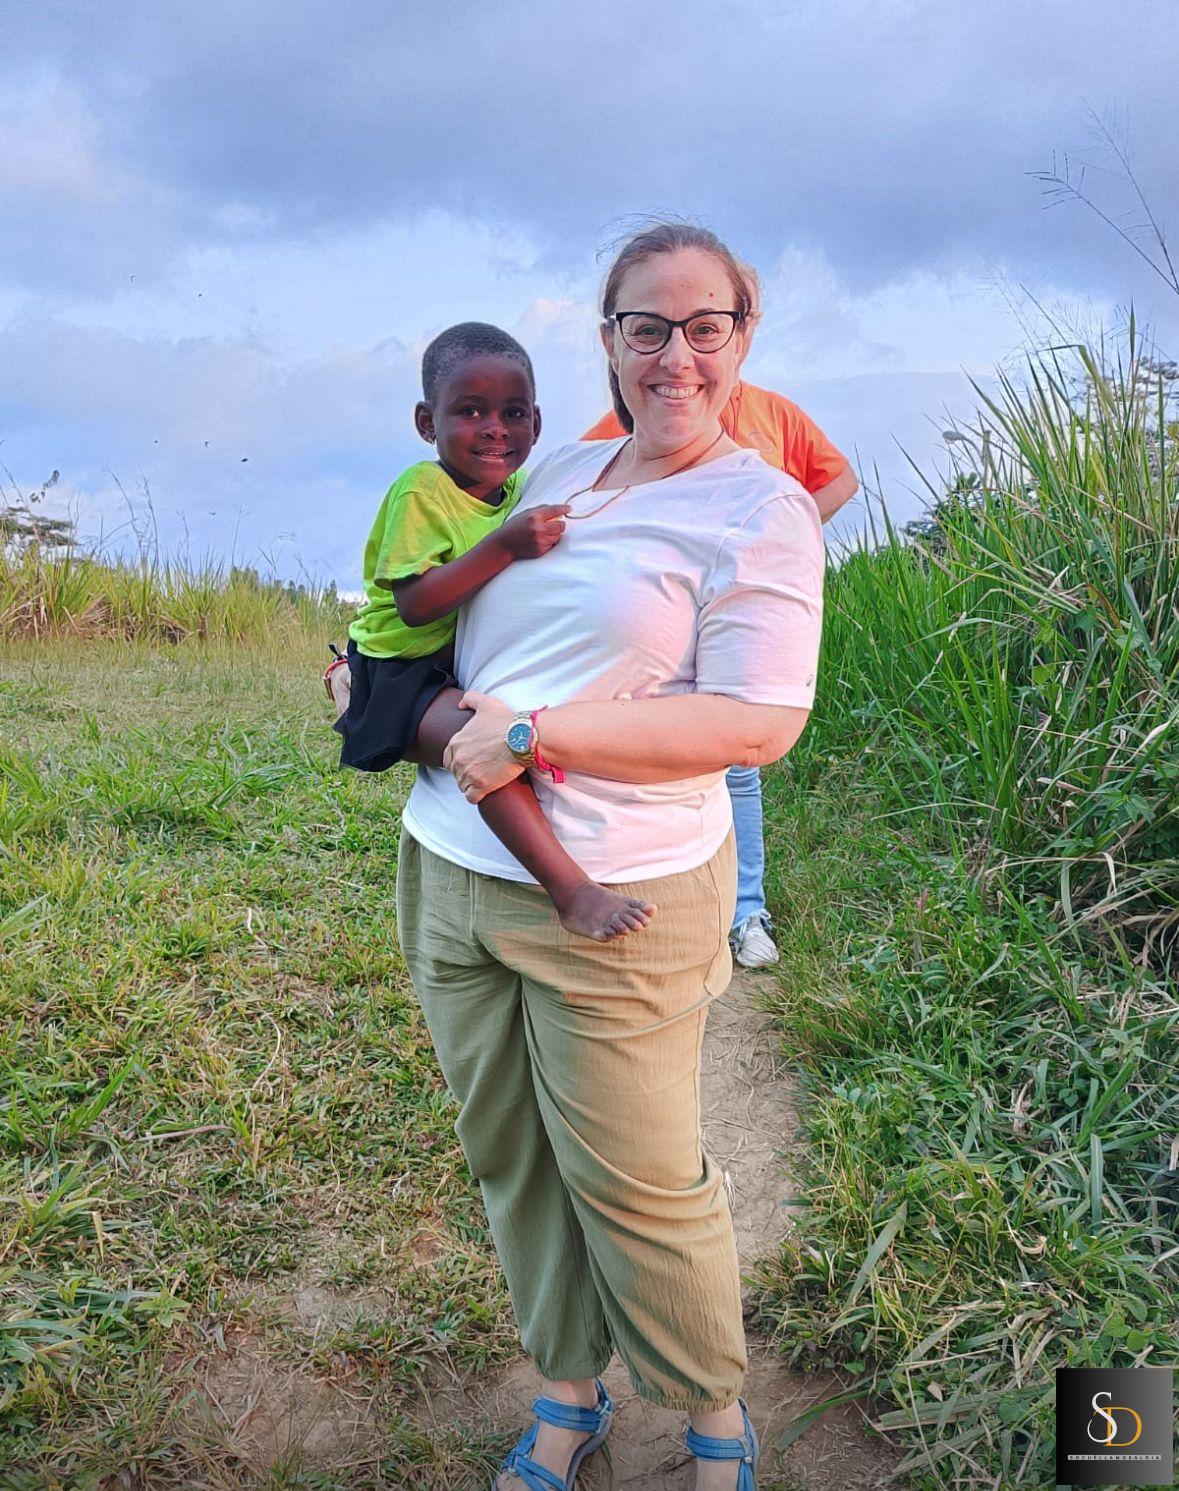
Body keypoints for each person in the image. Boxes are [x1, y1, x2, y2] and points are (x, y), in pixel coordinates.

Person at [395, 223, 825, 1491]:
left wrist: (536, 733)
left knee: (638, 1181)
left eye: (705, 327)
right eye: (648, 327)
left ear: (743, 336)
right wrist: (371, 663)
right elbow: (454, 599)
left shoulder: (760, 509)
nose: (675, 355)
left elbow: (758, 722)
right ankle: (569, 1392)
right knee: (511, 1155)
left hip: (621, 891)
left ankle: (711, 1417)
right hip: (451, 864)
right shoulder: (559, 472)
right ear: (609, 339)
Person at [331, 322, 655, 942]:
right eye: (470, 411)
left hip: (453, 663)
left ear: (537, 422)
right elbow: (416, 605)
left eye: (513, 413)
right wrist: (505, 546)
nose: (495, 428)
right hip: (399, 668)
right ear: (427, 423)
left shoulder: (518, 491)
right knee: (487, 749)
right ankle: (571, 890)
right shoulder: (422, 491)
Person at [583, 358, 857, 970]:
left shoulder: (775, 413)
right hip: (663, 627)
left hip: (741, 624)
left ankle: (745, 911)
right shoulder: (634, 417)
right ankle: (643, 893)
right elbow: (587, 484)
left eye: (708, 329)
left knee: (737, 765)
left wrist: (779, 535)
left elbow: (839, 481)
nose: (682, 358)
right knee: (654, 755)